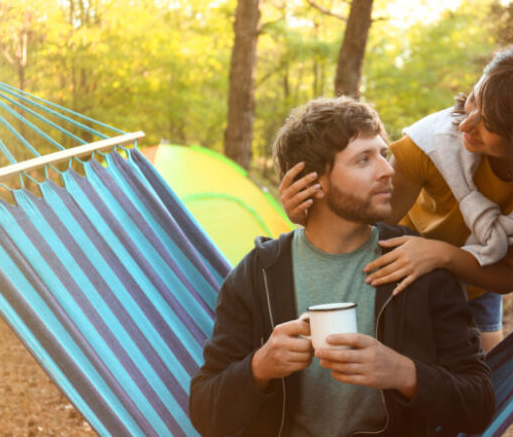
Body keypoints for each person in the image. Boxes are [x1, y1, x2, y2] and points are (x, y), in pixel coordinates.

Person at [189, 97, 495, 437]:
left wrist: (405, 374)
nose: (387, 169)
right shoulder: (259, 275)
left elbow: (478, 404)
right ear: (313, 183)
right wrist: (259, 367)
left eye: (382, 153)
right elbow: (206, 414)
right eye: (364, 159)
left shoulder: (418, 262)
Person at [279, 43, 513, 352]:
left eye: (490, 124)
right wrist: (310, 217)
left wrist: (442, 255)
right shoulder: (431, 144)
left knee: (488, 388)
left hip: (479, 281)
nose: (467, 125)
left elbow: (512, 274)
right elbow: (363, 229)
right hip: (400, 266)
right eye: (474, 101)